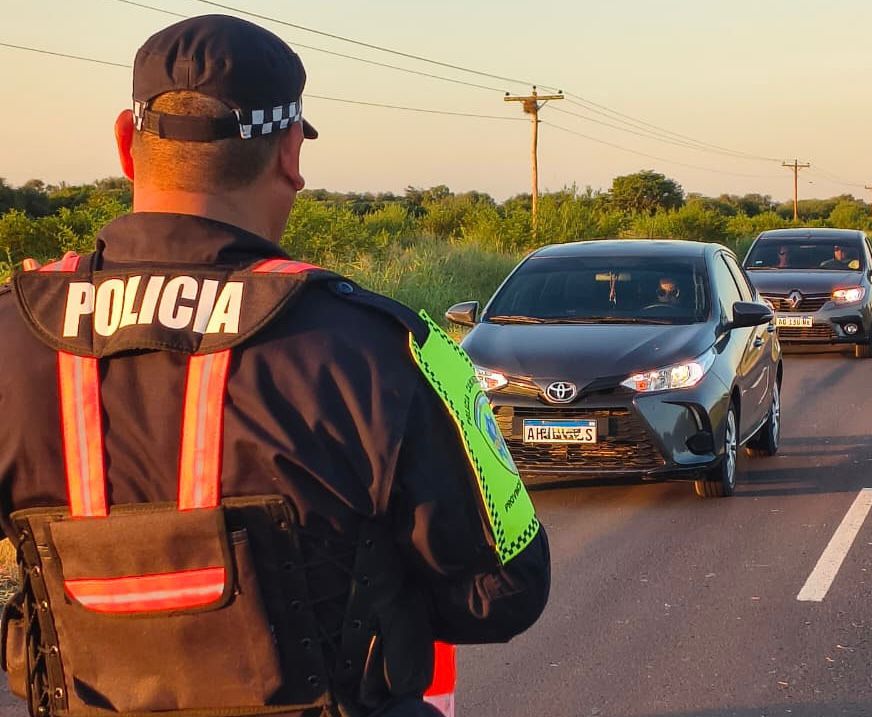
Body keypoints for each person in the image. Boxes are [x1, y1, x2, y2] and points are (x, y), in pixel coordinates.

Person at [0, 15, 549, 717]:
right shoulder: (384, 346)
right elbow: (506, 590)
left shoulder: (15, 334)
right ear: (290, 152)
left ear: (126, 146)